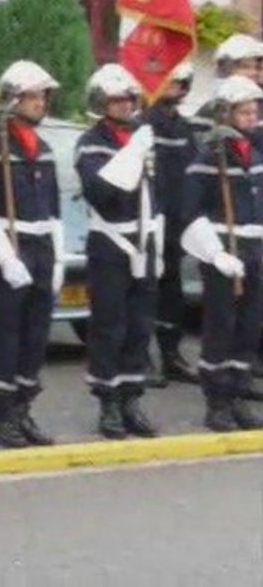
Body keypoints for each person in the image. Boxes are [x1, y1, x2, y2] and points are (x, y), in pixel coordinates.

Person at [0, 61, 63, 448]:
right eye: (33, 96)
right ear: (12, 100)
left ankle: (24, 409)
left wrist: (57, 260)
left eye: (43, 96)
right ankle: (2, 415)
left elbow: (54, 210)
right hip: (10, 250)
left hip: (41, 250)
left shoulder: (43, 149)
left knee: (36, 337)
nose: (41, 103)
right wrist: (7, 259)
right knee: (6, 337)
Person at [75, 64, 161, 440]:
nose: (124, 106)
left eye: (128, 99)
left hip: (144, 239)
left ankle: (131, 397)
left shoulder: (141, 136)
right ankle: (107, 401)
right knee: (110, 326)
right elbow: (101, 191)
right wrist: (133, 152)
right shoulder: (91, 143)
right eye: (115, 100)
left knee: (140, 327)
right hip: (110, 242)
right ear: (100, 103)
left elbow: (153, 193)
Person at [180, 75, 263, 431]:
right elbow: (189, 212)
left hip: (255, 253)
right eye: (243, 111)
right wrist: (215, 254)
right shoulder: (208, 156)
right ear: (226, 114)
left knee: (249, 329)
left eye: (253, 110)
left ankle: (239, 395)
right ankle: (217, 402)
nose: (251, 117)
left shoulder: (255, 154)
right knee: (221, 330)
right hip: (225, 255)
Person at [143, 62, 200, 386]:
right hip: (148, 221)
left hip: (177, 222)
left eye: (179, 81)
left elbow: (192, 174)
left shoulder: (184, 128)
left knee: (172, 294)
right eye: (168, 79)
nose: (174, 86)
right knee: (143, 292)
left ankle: (171, 355)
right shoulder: (142, 125)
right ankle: (140, 357)